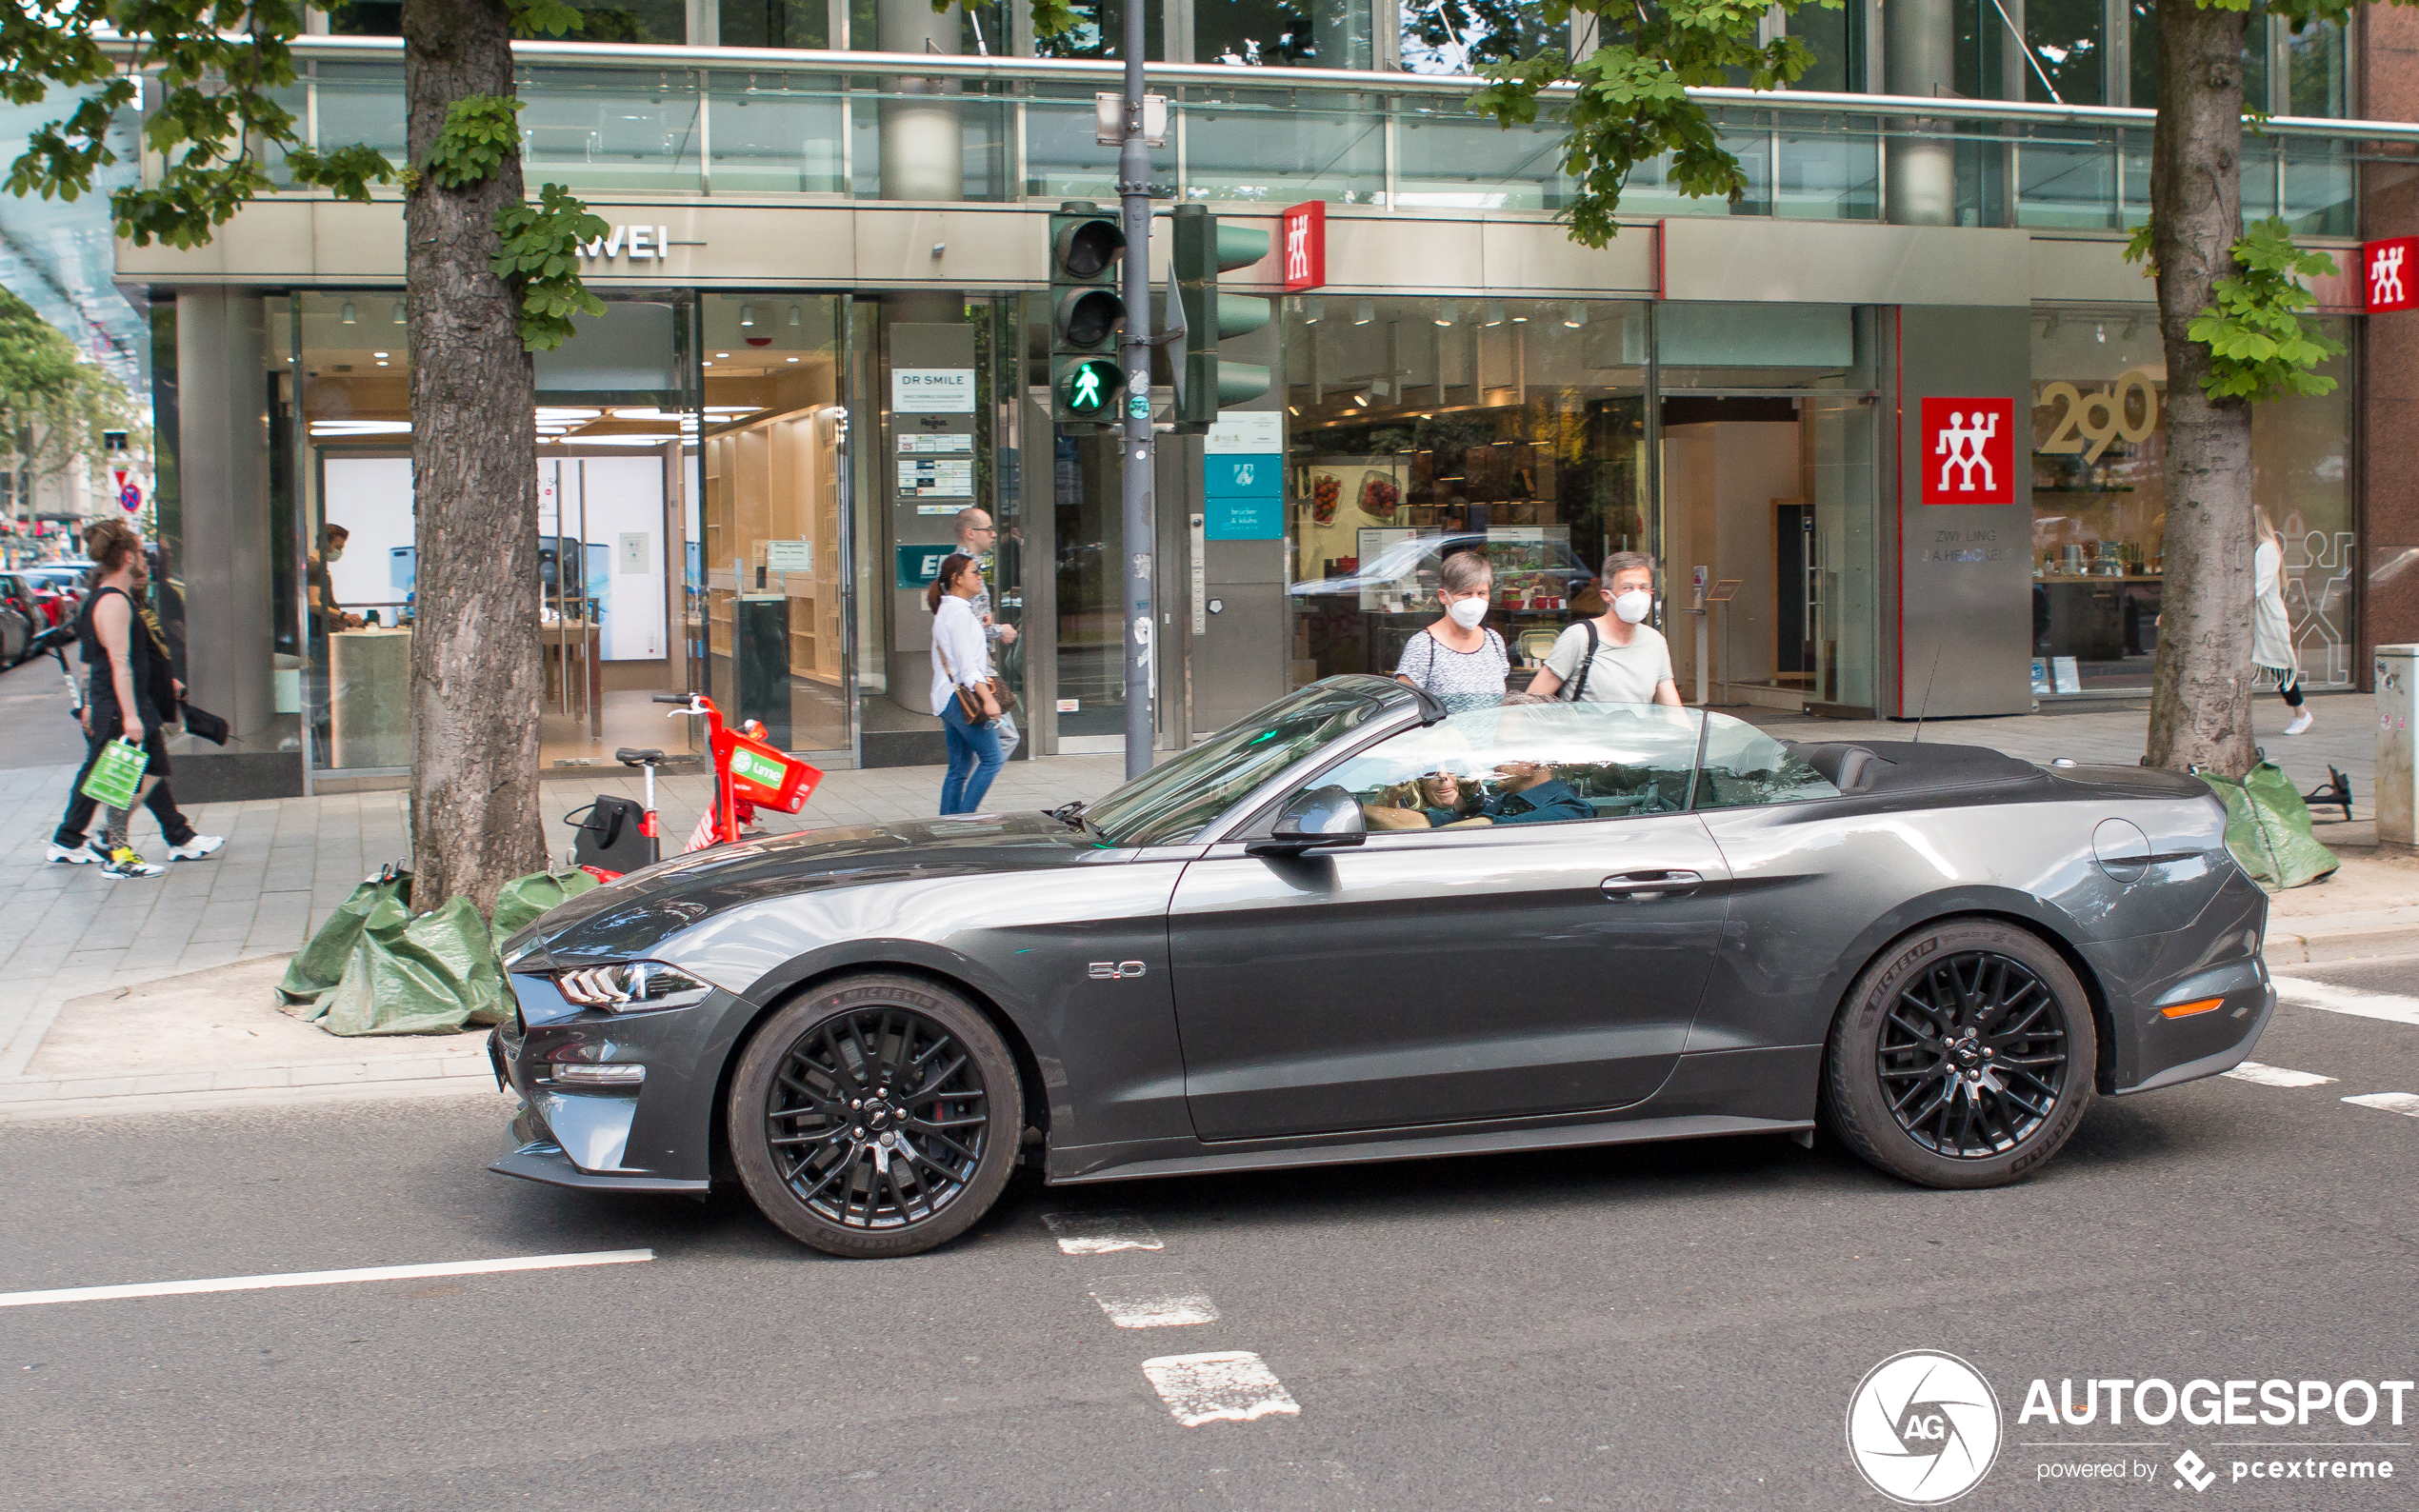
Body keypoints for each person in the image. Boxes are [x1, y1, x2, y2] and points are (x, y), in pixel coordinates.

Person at [45, 521, 210, 877]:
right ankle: (115, 850)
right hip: (123, 708)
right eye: (138, 552)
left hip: (122, 705)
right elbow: (119, 664)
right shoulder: (113, 602)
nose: (143, 559)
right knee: (124, 780)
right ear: (124, 557)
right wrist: (131, 716)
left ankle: (109, 842)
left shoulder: (106, 599)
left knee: (143, 774)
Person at [1526, 550, 1684, 706]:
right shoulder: (1580, 637)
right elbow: (1531, 702)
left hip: (1637, 731)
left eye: (1643, 587)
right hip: (1587, 731)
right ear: (1606, 595)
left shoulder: (1655, 641)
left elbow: (1672, 710)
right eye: (1627, 587)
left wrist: (1687, 730)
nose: (1637, 595)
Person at [929, 551, 1005, 815]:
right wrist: (989, 699)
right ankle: (963, 821)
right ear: (956, 579)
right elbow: (968, 668)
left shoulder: (950, 611)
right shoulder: (958, 614)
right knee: (993, 759)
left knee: (959, 769)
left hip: (947, 698)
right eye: (974, 572)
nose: (979, 577)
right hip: (962, 700)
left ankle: (947, 826)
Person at [1393, 550, 1508, 711]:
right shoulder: (1424, 646)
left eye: (1482, 593)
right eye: (1466, 593)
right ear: (1443, 596)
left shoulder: (1494, 641)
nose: (1475, 600)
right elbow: (1403, 709)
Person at [952, 507, 1021, 758]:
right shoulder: (964, 570)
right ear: (970, 533)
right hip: (975, 668)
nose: (994, 534)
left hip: (972, 666)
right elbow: (965, 625)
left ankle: (966, 793)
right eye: (988, 529)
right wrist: (998, 630)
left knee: (968, 750)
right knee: (1006, 738)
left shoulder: (964, 566)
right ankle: (973, 790)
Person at [2254, 508, 2310, 736]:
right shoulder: (2262, 548)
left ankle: (2301, 712)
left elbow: (2261, 585)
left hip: (2268, 618)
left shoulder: (2267, 548)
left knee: (2279, 666)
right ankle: (2300, 712)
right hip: (2260, 618)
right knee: (2275, 666)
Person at [307, 523, 362, 633]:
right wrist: (344, 616)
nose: (339, 552)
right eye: (337, 547)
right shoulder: (315, 567)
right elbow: (313, 604)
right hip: (320, 634)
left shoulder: (319, 568)